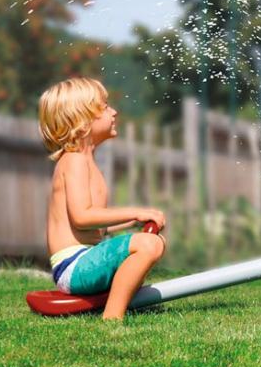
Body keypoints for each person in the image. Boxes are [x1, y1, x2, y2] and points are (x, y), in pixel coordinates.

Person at [38, 77, 166, 319]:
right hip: (74, 267)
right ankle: (112, 316)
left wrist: (133, 223)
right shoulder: (74, 161)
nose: (114, 112)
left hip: (85, 260)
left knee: (153, 241)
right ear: (82, 121)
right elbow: (82, 217)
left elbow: (96, 226)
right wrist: (136, 212)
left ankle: (119, 301)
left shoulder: (86, 162)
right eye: (105, 107)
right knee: (148, 245)